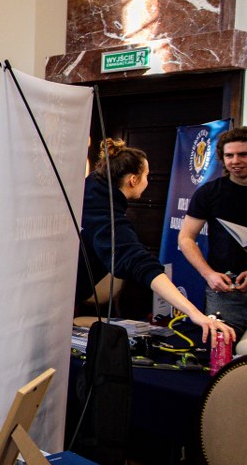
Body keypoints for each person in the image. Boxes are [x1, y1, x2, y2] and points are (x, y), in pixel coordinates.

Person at [80, 139, 233, 346]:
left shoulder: (91, 188)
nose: (147, 181)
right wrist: (195, 314)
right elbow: (140, 263)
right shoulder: (105, 213)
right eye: (147, 176)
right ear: (133, 180)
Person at [178, 127, 247, 353]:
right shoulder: (209, 192)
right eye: (229, 155)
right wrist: (208, 274)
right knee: (221, 355)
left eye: (243, 154)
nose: (235, 161)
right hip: (224, 290)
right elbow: (186, 238)